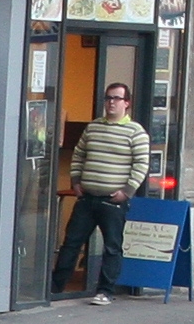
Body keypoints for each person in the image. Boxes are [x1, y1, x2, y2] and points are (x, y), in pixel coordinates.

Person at [51, 81, 155, 302]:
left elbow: (141, 165)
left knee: (112, 247)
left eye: (116, 98)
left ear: (127, 103)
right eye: (108, 98)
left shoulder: (136, 132)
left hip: (113, 200)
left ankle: (105, 291)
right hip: (87, 198)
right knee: (71, 243)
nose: (111, 103)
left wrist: (126, 192)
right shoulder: (93, 128)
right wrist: (76, 181)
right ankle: (55, 288)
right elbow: (79, 155)